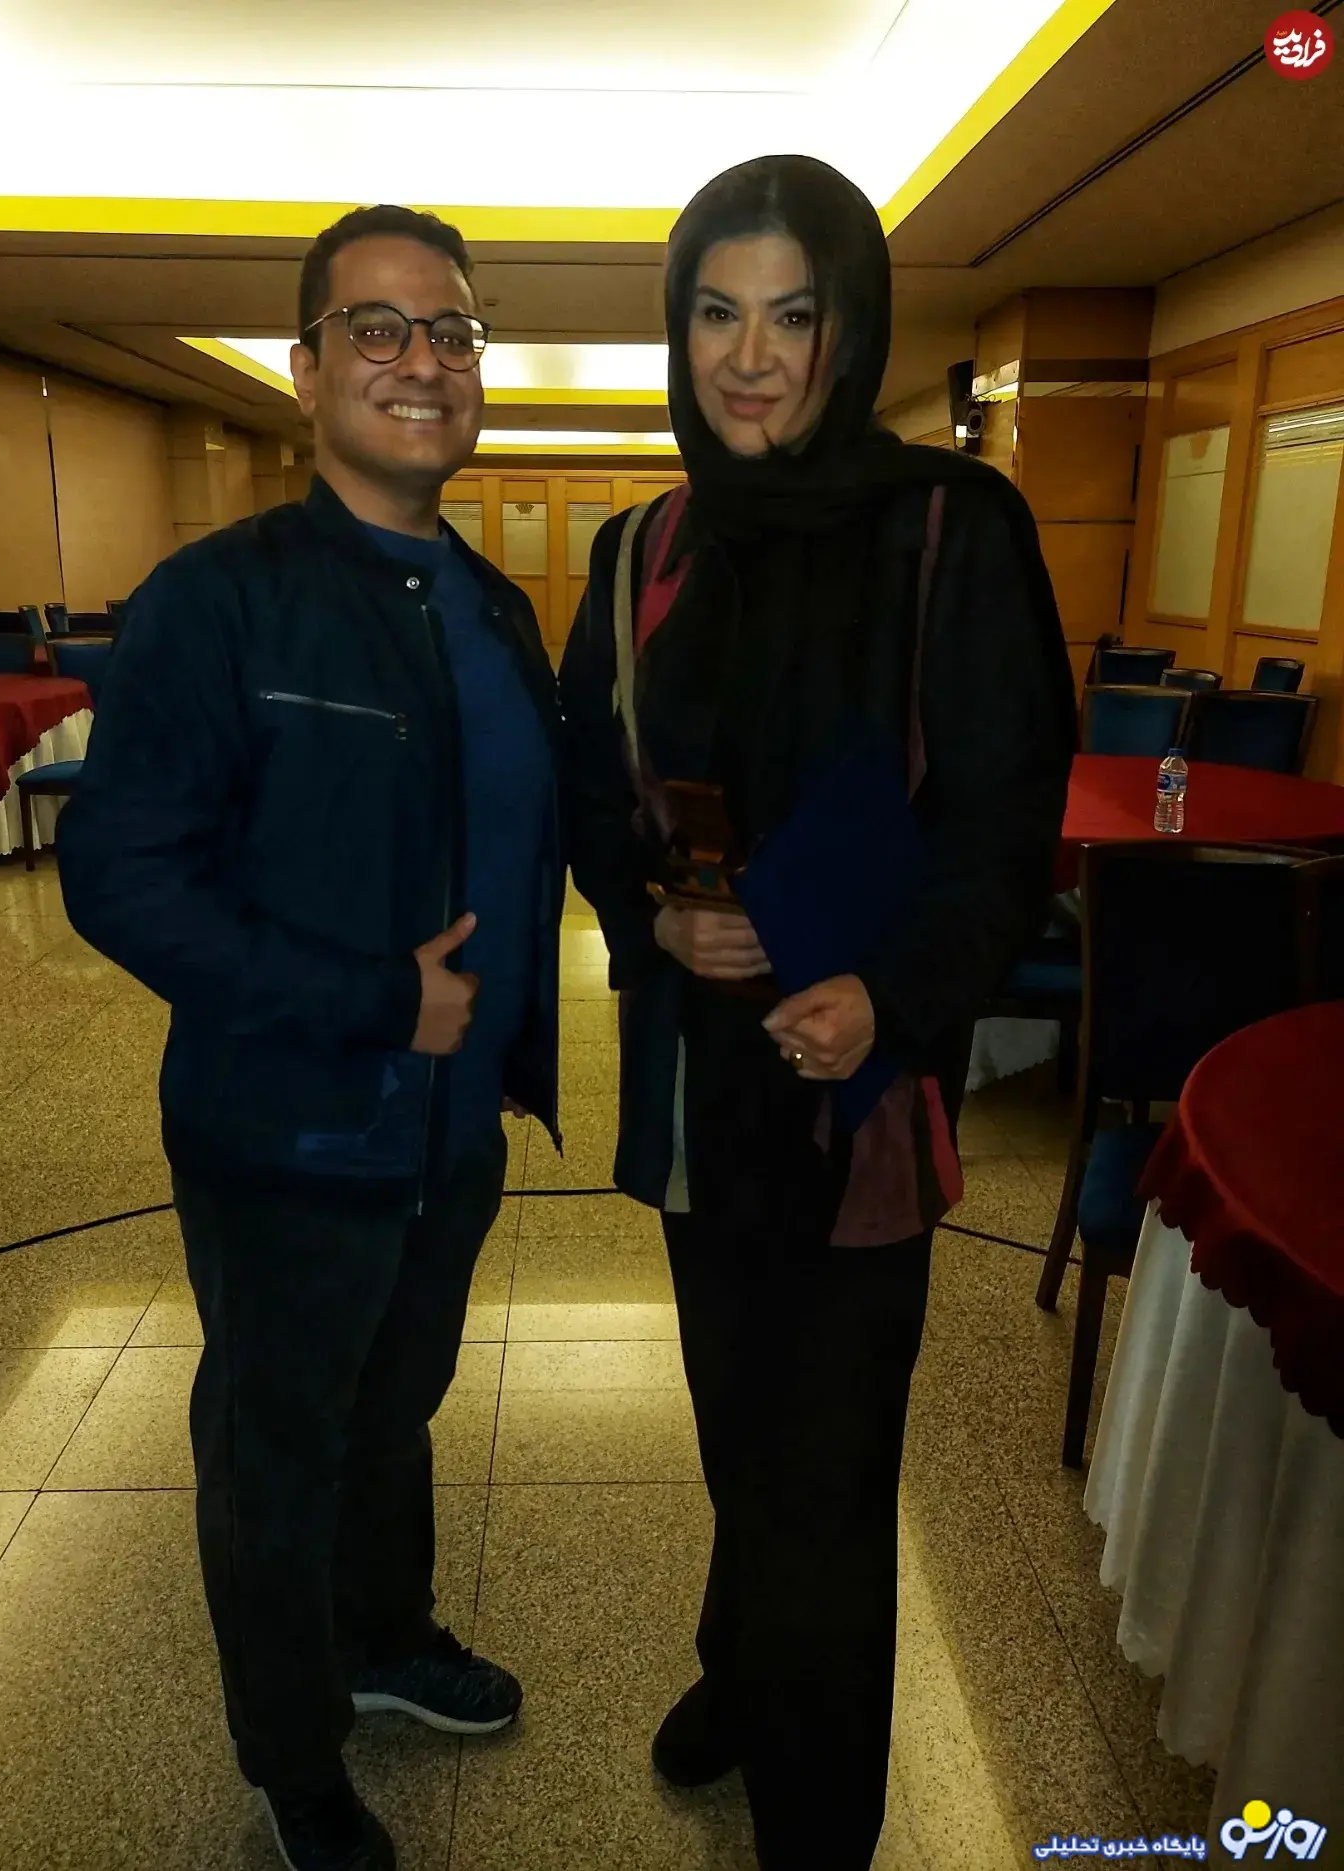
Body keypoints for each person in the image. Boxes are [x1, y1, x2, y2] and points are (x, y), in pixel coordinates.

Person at [559, 155, 1075, 1869]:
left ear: (848, 329)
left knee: (832, 1481)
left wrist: (894, 995)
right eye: (717, 313)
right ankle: (740, 1663)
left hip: (865, 1099)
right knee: (736, 1423)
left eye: (792, 314)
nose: (751, 355)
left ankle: (817, 1825)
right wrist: (653, 910)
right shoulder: (641, 551)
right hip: (703, 1085)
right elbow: (594, 795)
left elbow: (1005, 823)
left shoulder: (950, 528)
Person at [58, 204, 563, 1871]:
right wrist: (372, 997)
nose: (424, 360)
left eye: (453, 330)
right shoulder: (218, 603)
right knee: (275, 1452)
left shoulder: (494, 610)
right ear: (306, 367)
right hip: (285, 1134)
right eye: (379, 328)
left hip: (454, 1131)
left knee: (395, 1408)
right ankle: (293, 1757)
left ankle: (384, 1637)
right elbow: (121, 877)